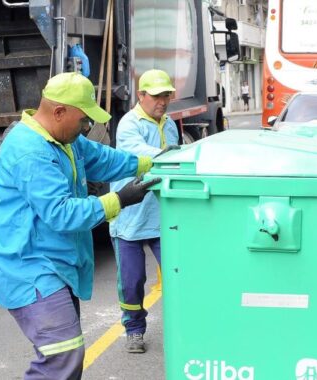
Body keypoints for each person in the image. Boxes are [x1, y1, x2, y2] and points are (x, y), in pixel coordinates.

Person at [0, 72, 161, 380]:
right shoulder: (30, 150)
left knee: (66, 355)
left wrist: (154, 163)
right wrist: (119, 199)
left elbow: (105, 159)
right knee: (63, 354)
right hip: (29, 267)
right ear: (59, 112)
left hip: (55, 263)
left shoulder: (65, 140)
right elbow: (61, 212)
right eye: (83, 120)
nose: (87, 127)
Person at [109, 69, 180, 354]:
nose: (162, 101)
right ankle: (134, 330)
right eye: (156, 96)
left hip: (162, 218)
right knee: (132, 281)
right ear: (141, 95)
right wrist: (174, 154)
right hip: (130, 219)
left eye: (166, 95)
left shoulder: (169, 123)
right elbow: (142, 154)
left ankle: (184, 325)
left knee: (179, 275)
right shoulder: (129, 124)